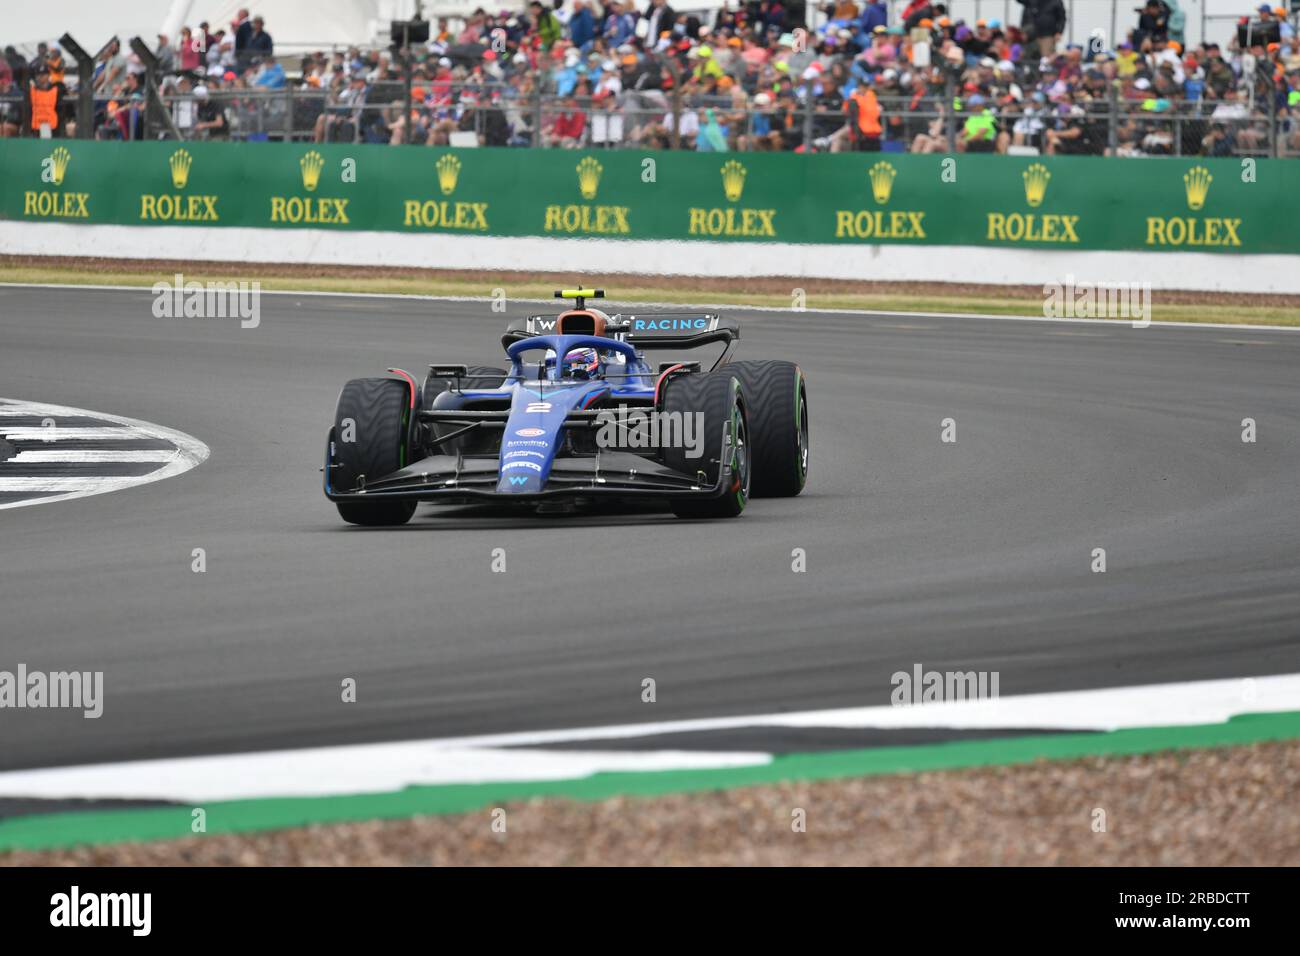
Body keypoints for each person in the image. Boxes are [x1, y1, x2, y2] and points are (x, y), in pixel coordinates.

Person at [24, 64, 64, 136]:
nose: (40, 77)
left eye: (43, 74)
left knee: (47, 145)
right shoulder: (32, 90)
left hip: (50, 124)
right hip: (35, 125)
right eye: (38, 75)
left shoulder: (56, 89)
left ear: (48, 75)